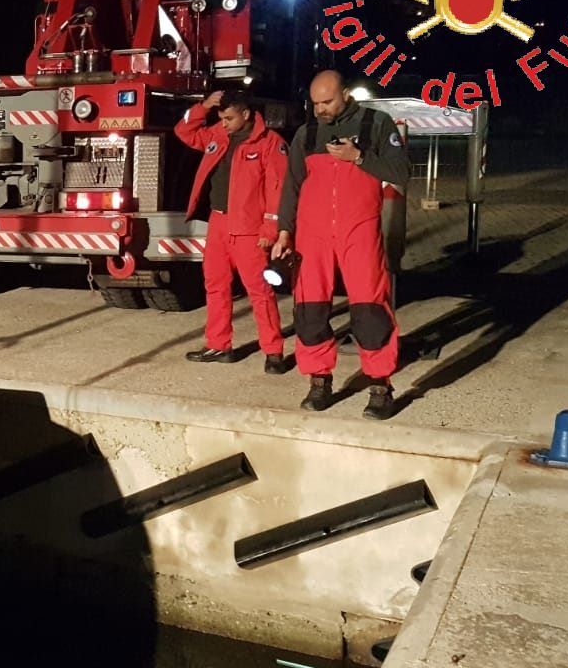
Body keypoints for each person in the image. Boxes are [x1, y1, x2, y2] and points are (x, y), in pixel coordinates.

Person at [271, 71, 410, 418]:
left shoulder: (376, 124)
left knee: (370, 309)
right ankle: (319, 381)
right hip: (311, 235)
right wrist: (285, 230)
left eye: (327, 102)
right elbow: (292, 186)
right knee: (310, 309)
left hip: (359, 231)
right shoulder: (307, 133)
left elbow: (401, 172)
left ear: (345, 94)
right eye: (315, 103)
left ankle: (380, 385)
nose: (320, 109)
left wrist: (359, 157)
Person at [174, 88, 291, 373]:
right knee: (215, 285)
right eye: (220, 118)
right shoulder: (217, 135)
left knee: (259, 291)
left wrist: (270, 228)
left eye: (228, 118)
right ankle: (218, 344)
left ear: (247, 114)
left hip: (250, 229)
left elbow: (278, 189)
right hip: (219, 223)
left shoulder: (270, 143)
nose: (223, 123)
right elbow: (184, 130)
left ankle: (273, 351)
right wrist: (203, 107)